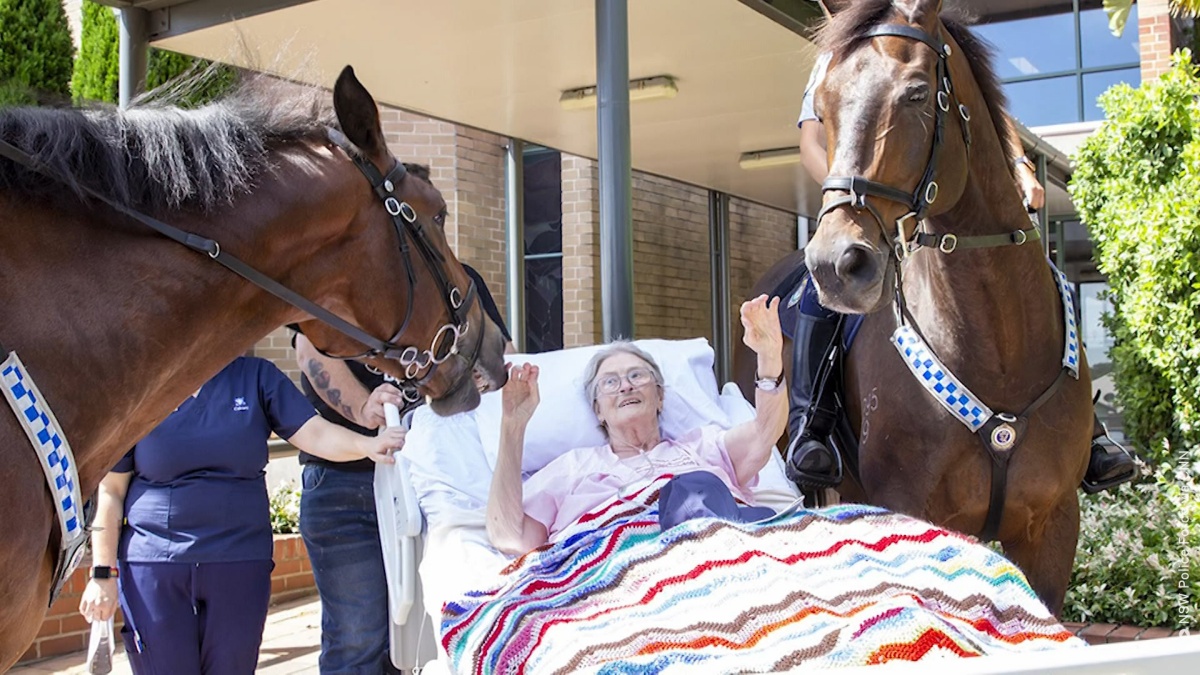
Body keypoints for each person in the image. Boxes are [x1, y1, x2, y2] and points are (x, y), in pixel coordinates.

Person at [787, 47, 1135, 493]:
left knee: (1044, 284)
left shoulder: (921, 44)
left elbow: (987, 110)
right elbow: (811, 144)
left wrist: (1021, 166)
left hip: (937, 201)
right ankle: (810, 426)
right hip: (869, 205)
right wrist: (851, 199)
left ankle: (1090, 430)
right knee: (821, 293)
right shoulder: (836, 58)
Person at [77, 356, 406, 675]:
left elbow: (315, 434)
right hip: (154, 567)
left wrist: (367, 446)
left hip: (239, 562)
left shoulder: (256, 377)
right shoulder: (139, 384)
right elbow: (111, 492)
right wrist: (102, 575)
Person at [294, 263, 512, 674]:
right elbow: (311, 353)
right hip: (347, 480)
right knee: (357, 639)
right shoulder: (327, 280)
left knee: (433, 637)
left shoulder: (456, 278)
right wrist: (363, 408)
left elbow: (501, 355)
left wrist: (488, 380)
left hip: (446, 482)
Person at [486, 295, 787, 555]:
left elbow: (765, 432)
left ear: (659, 396)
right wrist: (513, 425)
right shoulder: (572, 467)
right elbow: (509, 536)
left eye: (637, 376)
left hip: (721, 551)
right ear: (598, 410)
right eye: (610, 382)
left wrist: (770, 357)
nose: (625, 387)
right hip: (617, 572)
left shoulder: (703, 446)